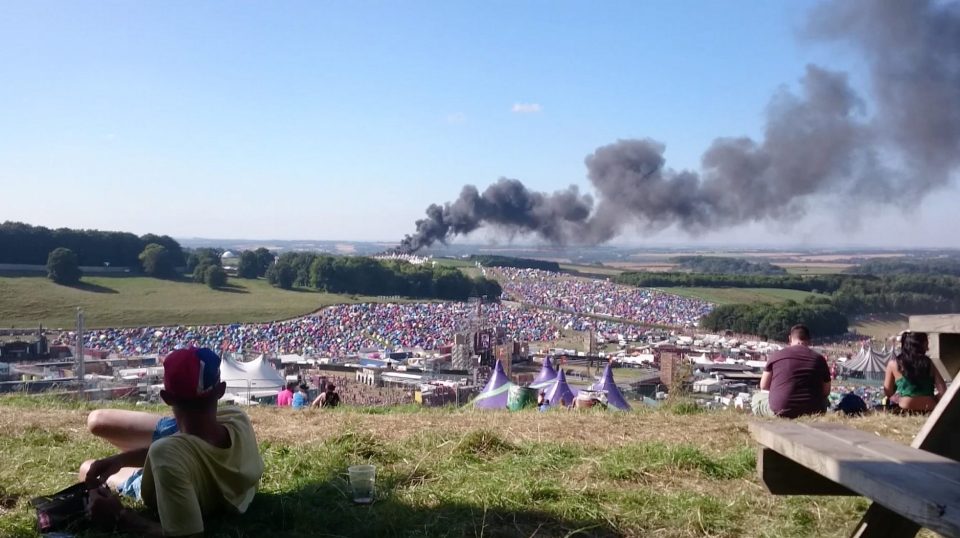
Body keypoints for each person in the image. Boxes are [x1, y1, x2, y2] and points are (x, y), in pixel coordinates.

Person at [80, 347, 264, 537]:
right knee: (98, 424)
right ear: (220, 390)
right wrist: (120, 460)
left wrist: (120, 517)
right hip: (188, 437)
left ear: (166, 398)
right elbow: (178, 449)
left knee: (87, 468)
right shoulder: (237, 419)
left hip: (172, 456)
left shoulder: (166, 453)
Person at [755, 324, 831, 418]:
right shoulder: (820, 359)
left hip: (781, 411)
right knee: (825, 400)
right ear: (809, 340)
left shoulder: (776, 356)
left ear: (790, 338)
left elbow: (764, 386)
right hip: (813, 411)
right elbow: (826, 391)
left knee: (756, 397)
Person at [884, 332, 947, 413]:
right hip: (929, 408)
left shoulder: (893, 364)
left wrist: (898, 395)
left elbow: (888, 391)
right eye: (926, 344)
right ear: (920, 345)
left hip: (905, 408)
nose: (928, 348)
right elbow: (943, 390)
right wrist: (933, 399)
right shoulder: (930, 364)